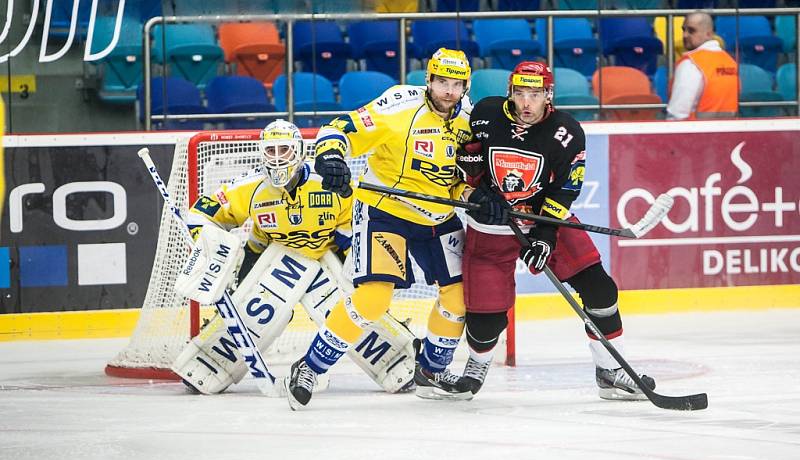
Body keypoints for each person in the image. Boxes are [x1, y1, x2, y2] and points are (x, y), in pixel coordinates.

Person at [456, 61, 657, 400]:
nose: (526, 103)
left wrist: (545, 237)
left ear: (548, 95)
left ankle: (610, 370)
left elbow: (565, 189)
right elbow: (462, 161)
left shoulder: (567, 131)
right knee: (486, 318)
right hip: (491, 222)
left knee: (600, 289)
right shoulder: (484, 114)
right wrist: (477, 188)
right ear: (510, 92)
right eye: (520, 93)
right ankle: (474, 370)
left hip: (543, 218)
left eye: (534, 94)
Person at [286, 47, 474, 409]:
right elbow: (338, 128)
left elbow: (467, 176)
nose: (448, 91)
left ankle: (432, 370)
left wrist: (476, 194)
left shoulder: (469, 120)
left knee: (459, 296)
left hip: (438, 216)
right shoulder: (398, 106)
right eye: (442, 82)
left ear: (465, 86)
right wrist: (330, 157)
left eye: (456, 84)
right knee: (373, 298)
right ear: (428, 80)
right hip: (386, 210)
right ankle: (309, 367)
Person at [173, 119, 417, 396]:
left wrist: (363, 279)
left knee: (348, 307)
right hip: (267, 256)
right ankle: (208, 363)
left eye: (284, 151)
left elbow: (361, 223)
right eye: (271, 151)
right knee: (256, 313)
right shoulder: (249, 187)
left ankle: (395, 358)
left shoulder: (329, 182)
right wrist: (211, 246)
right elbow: (199, 214)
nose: (277, 159)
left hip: (328, 255)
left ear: (300, 152)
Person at [667, 11, 738, 120]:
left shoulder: (691, 64)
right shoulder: (730, 62)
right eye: (684, 30)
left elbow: (677, 113)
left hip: (695, 133)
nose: (685, 35)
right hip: (727, 132)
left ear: (708, 34)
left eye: (691, 31)